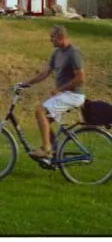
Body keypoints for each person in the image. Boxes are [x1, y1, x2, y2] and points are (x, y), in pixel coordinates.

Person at [20, 25, 85, 159]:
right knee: (45, 120)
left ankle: (47, 149)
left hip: (74, 95)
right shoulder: (57, 53)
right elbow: (46, 73)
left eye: (52, 37)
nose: (50, 40)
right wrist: (27, 83)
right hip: (65, 94)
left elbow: (80, 78)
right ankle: (54, 149)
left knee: (40, 111)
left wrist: (59, 90)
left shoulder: (74, 53)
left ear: (61, 37)